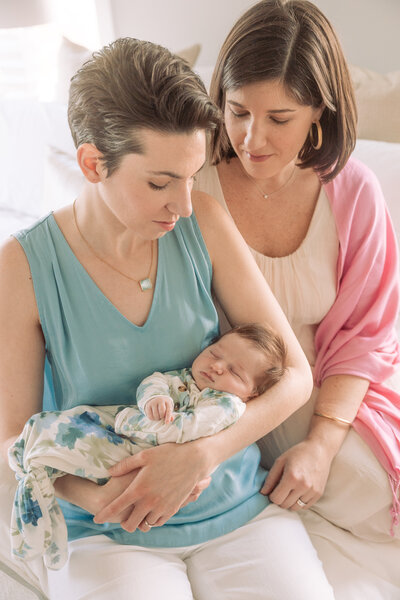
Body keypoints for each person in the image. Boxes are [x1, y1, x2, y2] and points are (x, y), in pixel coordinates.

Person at [0, 37, 335, 599]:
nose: (183, 203)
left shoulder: (201, 218)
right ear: (92, 163)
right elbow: (12, 437)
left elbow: (295, 376)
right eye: (160, 182)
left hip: (237, 507)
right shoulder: (23, 267)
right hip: (110, 532)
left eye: (191, 175)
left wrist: (201, 456)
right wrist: (96, 497)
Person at [194, 0, 400, 594]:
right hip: (211, 397)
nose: (252, 139)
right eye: (237, 112)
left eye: (279, 118)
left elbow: (365, 337)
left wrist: (320, 443)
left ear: (318, 113)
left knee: (364, 482)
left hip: (323, 388)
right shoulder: (192, 182)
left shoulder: (352, 192)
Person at [9, 323, 287, 570]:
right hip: (129, 440)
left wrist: (133, 421)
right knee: (61, 428)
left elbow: (184, 431)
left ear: (252, 394)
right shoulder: (186, 378)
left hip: (148, 453)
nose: (217, 366)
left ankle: (42, 477)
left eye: (235, 372)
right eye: (215, 352)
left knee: (92, 452)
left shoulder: (226, 405)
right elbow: (154, 381)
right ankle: (40, 467)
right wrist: (153, 399)